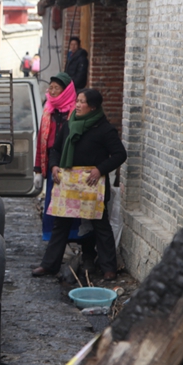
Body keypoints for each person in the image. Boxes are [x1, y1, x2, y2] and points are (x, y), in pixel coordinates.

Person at [32, 89, 126, 281]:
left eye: (82, 102)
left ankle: (109, 267)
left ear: (92, 107)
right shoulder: (69, 125)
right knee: (61, 225)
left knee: (100, 225)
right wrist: (55, 166)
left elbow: (119, 154)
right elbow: (56, 150)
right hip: (68, 184)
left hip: (92, 185)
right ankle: (49, 265)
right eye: (77, 101)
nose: (77, 105)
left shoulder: (104, 129)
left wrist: (100, 169)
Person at [35, 73, 77, 241]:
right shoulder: (48, 110)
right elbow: (41, 140)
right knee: (52, 203)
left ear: (66, 90)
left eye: (56, 88)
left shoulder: (75, 112)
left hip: (72, 164)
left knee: (71, 203)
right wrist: (38, 169)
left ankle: (72, 237)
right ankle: (51, 238)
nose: (52, 91)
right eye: (50, 87)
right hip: (53, 162)